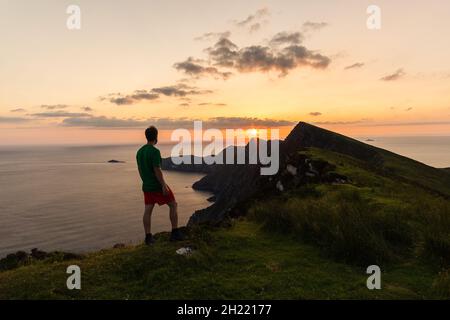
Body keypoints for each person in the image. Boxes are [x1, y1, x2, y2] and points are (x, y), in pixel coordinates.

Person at [136, 126, 183, 245]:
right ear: (156, 137)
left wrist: (146, 181)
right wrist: (163, 185)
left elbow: (140, 170)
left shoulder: (140, 152)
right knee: (173, 204)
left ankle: (148, 237)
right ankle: (175, 233)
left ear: (146, 136)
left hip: (146, 186)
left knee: (148, 210)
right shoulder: (155, 151)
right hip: (157, 186)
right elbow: (157, 170)